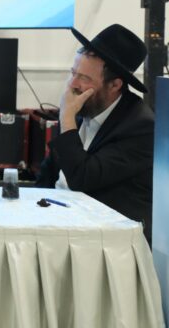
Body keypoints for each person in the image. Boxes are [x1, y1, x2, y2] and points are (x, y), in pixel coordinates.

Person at [36, 24, 154, 242]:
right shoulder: (86, 107)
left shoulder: (141, 128)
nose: (73, 85)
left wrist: (66, 120)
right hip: (60, 223)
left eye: (84, 78)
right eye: (73, 73)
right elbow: (48, 174)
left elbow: (82, 179)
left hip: (106, 240)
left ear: (115, 85)